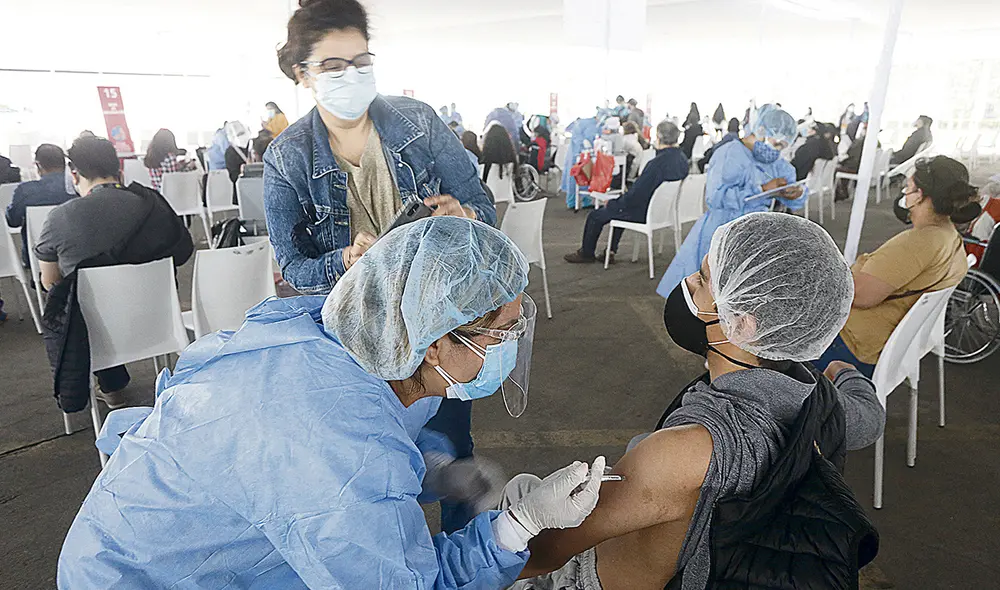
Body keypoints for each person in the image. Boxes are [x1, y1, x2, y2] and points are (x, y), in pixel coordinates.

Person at [57, 216, 605, 589]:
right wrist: (518, 523)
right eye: (500, 335)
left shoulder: (356, 341)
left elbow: (350, 455)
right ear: (437, 340)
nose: (509, 347)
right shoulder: (341, 445)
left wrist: (431, 473)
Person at [516, 212, 884, 590]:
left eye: (704, 279)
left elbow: (543, 552)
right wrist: (843, 370)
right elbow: (870, 417)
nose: (689, 281)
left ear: (742, 323)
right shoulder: (821, 405)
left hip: (579, 580)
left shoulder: (685, 451)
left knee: (515, 494)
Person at [266, 0, 495, 535]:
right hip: (352, 331)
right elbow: (294, 268)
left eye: (361, 61)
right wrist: (344, 260)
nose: (352, 76)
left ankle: (474, 552)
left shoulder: (418, 123)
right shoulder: (287, 157)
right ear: (303, 74)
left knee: (455, 453)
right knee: (369, 463)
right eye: (333, 66)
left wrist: (464, 215)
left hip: (437, 320)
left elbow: (482, 206)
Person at [36, 137, 193, 412]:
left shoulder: (60, 217)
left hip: (98, 337)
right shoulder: (151, 204)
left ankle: (112, 388)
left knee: (84, 304)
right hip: (160, 323)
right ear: (118, 166)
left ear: (74, 174)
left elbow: (50, 282)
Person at [815, 156, 976, 378]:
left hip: (852, 348)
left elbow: (859, 295)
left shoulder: (919, 242)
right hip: (886, 345)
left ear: (919, 196)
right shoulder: (950, 237)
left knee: (770, 339)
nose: (904, 194)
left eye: (907, 188)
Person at [657, 104, 803, 297]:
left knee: (741, 293)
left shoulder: (776, 163)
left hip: (755, 234)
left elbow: (792, 187)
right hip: (721, 229)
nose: (776, 151)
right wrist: (763, 189)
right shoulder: (730, 153)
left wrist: (794, 193)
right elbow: (715, 198)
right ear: (761, 131)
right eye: (776, 144)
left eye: (782, 147)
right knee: (710, 290)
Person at [564, 121, 688, 264]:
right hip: (664, 211)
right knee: (620, 208)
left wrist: (613, 202)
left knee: (596, 215)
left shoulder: (656, 164)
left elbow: (635, 196)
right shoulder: (682, 160)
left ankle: (586, 253)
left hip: (644, 211)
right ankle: (610, 251)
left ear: (658, 137)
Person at [5, 144, 76, 268]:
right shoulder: (77, 187)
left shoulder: (25, 190)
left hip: (36, 259)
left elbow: (13, 221)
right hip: (74, 255)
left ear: (38, 165)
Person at [561, 112, 601, 209]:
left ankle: (586, 200)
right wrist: (584, 144)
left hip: (587, 153)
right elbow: (578, 137)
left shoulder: (597, 125)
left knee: (587, 175)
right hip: (577, 152)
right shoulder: (585, 123)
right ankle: (571, 201)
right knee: (575, 175)